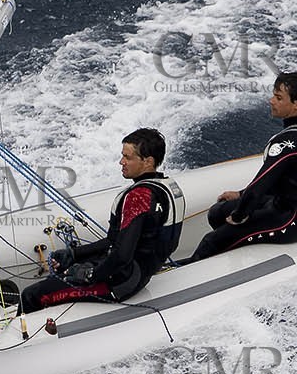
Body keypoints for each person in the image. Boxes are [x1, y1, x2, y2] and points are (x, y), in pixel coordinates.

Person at [15, 128, 185, 315]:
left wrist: (90, 275)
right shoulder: (167, 187)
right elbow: (116, 241)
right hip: (136, 273)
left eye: (127, 157)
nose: (121, 162)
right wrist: (74, 254)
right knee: (67, 269)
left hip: (121, 282)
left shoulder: (139, 197)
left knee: (31, 295)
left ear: (148, 162)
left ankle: (22, 341)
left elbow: (121, 256)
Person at [186, 71, 297, 261]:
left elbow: (259, 188)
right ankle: (234, 249)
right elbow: (288, 180)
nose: (271, 101)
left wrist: (239, 217)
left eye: (279, 97)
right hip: (293, 209)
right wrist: (241, 194)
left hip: (290, 222)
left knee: (211, 241)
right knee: (217, 213)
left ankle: (194, 269)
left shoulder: (287, 143)